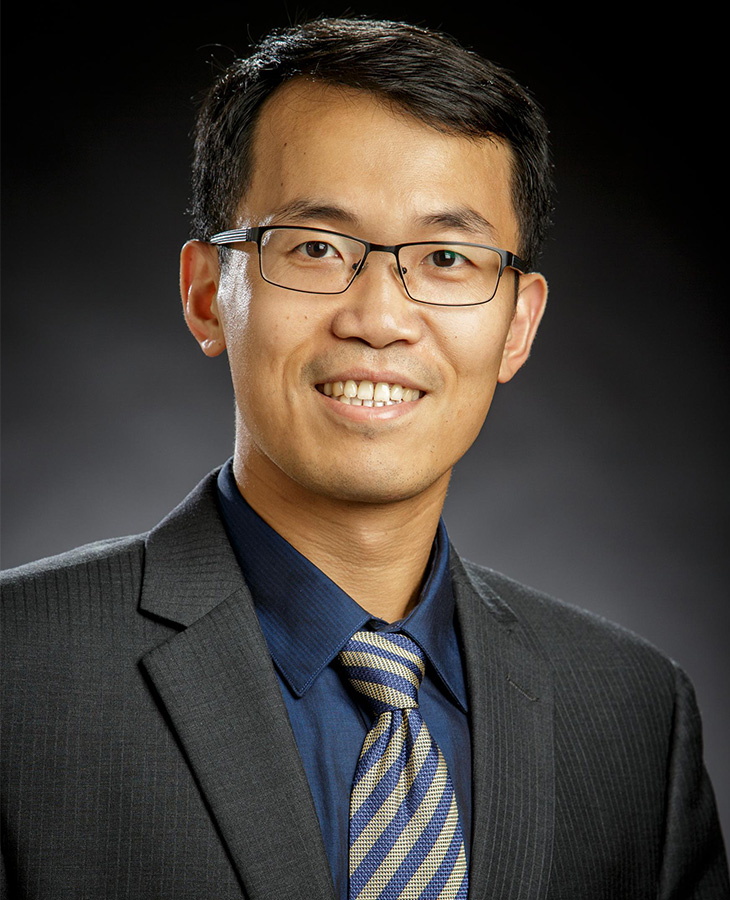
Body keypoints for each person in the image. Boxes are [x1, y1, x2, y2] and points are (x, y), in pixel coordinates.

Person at [1, 16, 727, 900]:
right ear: (204, 293)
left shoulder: (631, 715)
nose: (379, 317)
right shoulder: (19, 675)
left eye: (448, 257)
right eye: (315, 247)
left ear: (519, 324)